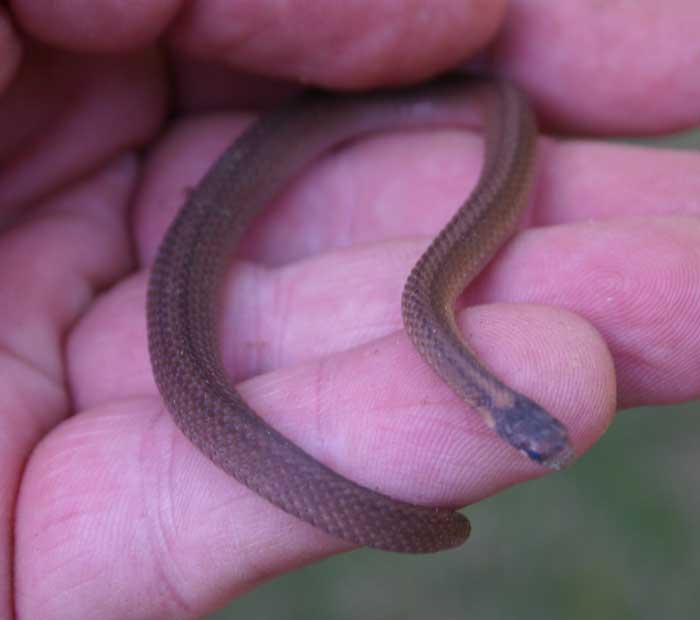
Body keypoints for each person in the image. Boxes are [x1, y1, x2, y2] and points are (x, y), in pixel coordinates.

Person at [1, 1, 698, 617]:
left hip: (481, 110)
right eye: (537, 445)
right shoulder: (435, 319)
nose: (551, 451)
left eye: (540, 443)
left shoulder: (439, 298)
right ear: (500, 418)